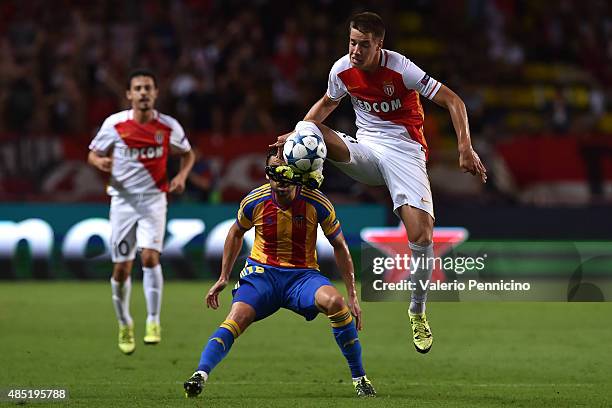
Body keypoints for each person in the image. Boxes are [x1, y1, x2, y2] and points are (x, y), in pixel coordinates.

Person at [272, 12, 487, 354]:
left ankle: (417, 311)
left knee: (422, 236)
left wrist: (464, 146)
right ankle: (310, 179)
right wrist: (298, 132)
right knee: (307, 129)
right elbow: (328, 102)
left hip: (405, 152)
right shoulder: (342, 68)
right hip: (367, 149)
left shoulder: (401, 68)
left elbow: (453, 100)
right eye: (352, 42)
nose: (356, 50)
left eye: (364, 44)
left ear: (379, 45)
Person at [183, 150, 376, 398]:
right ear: (267, 176)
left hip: (302, 276)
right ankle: (200, 375)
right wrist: (223, 277)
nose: (281, 180)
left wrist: (352, 295)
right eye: (275, 172)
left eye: (286, 172)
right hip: (262, 274)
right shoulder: (255, 201)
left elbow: (339, 245)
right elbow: (235, 232)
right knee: (236, 318)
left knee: (336, 304)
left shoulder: (316, 201)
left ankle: (360, 378)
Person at [88, 68, 195, 354]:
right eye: (138, 88)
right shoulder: (114, 124)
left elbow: (188, 153)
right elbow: (93, 153)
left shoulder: (169, 126)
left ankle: (153, 320)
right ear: (129, 94)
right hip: (122, 202)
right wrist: (100, 163)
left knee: (149, 258)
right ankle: (124, 322)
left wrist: (182, 176)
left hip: (153, 199)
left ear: (156, 93)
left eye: (148, 87)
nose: (144, 93)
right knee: (121, 269)